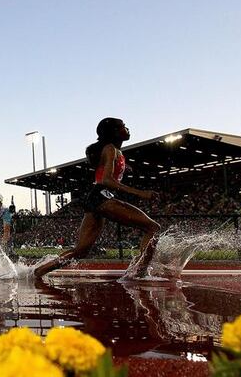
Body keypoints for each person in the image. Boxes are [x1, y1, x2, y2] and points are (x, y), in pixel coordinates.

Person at [33, 118, 160, 278]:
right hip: (102, 197)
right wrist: (140, 193)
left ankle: (38, 272)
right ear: (114, 132)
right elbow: (106, 180)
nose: (127, 129)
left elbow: (107, 173)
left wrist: (123, 168)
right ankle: (139, 273)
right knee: (153, 228)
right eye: (123, 127)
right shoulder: (110, 149)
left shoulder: (115, 151)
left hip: (96, 199)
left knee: (81, 251)